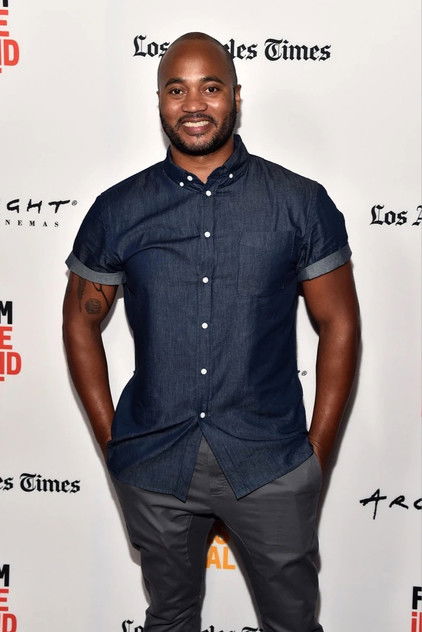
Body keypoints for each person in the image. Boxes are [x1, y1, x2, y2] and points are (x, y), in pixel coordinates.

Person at [62, 31, 360, 632]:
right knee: (170, 619)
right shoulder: (119, 209)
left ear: (236, 97)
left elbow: (340, 324)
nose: (193, 104)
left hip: (270, 461)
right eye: (177, 90)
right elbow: (79, 321)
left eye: (210, 88)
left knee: (293, 623)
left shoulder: (299, 202)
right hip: (153, 462)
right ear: (159, 101)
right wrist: (114, 443)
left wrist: (315, 458)